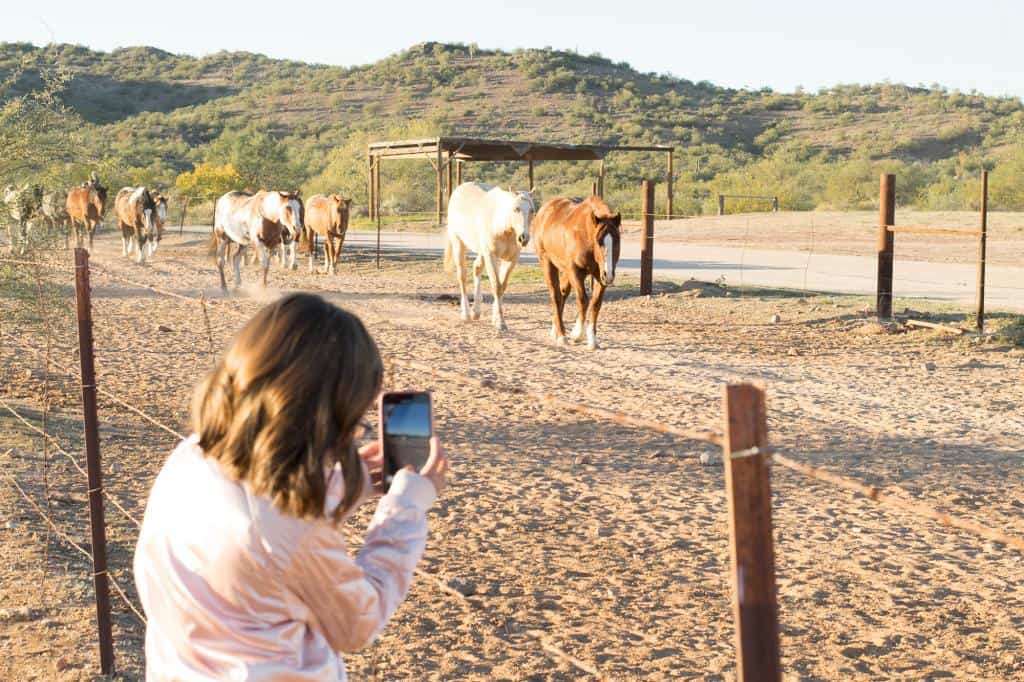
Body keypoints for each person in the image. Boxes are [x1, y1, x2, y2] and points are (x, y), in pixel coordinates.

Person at [133, 293, 448, 681]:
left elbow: (272, 544)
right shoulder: (288, 524)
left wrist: (343, 485)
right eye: (351, 418)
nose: (351, 432)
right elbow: (357, 624)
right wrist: (406, 509)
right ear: (322, 415)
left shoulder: (189, 459)